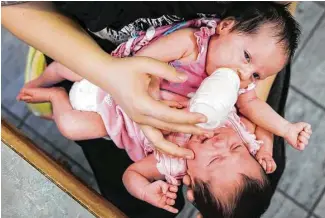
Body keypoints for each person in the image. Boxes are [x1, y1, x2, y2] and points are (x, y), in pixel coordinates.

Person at [2, 2, 297, 217]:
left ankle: (55, 97)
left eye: (216, 157)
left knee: (75, 127)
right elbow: (257, 127)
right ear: (225, 26)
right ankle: (50, 76)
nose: (222, 142)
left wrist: (147, 191)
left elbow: (133, 174)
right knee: (72, 71)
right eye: (235, 148)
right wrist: (274, 139)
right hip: (124, 68)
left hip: (120, 121)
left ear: (190, 180)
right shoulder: (193, 45)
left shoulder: (172, 165)